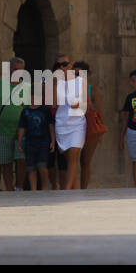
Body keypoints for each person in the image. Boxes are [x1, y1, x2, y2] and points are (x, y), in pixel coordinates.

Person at [0, 57, 27, 191]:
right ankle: (9, 190)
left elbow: (29, 109)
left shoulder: (26, 88)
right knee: (6, 162)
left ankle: (19, 188)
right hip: (3, 130)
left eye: (17, 69)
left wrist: (25, 128)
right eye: (12, 69)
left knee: (21, 161)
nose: (14, 71)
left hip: (20, 132)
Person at [53, 54, 86, 190]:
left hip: (77, 123)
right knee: (70, 160)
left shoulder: (80, 80)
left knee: (73, 155)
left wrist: (78, 104)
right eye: (61, 65)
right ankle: (75, 189)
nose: (64, 67)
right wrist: (55, 84)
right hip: (62, 124)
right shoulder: (57, 83)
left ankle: (66, 190)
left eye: (66, 63)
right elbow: (53, 104)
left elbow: (84, 101)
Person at [72, 61, 108, 189]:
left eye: (78, 73)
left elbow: (99, 111)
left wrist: (99, 132)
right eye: (74, 73)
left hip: (89, 128)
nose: (76, 75)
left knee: (85, 161)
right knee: (72, 161)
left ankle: (84, 189)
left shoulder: (92, 90)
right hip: (73, 127)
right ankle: (74, 188)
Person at [17, 98, 53, 191]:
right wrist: (19, 142)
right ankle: (33, 190)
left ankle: (44, 187)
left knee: (42, 166)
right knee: (31, 168)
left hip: (43, 143)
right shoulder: (25, 111)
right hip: (30, 143)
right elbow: (22, 127)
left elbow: (51, 126)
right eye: (32, 96)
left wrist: (53, 140)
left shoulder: (45, 110)